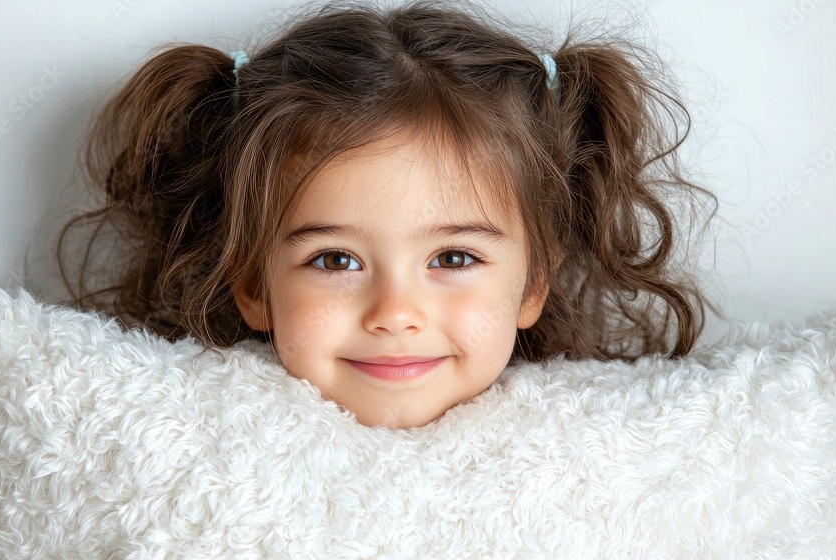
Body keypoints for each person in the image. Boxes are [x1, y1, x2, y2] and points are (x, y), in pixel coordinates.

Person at [54, 0, 722, 429]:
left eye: (454, 257)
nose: (395, 313)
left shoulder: (598, 451)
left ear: (534, 283)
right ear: (252, 283)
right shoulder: (187, 440)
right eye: (335, 260)